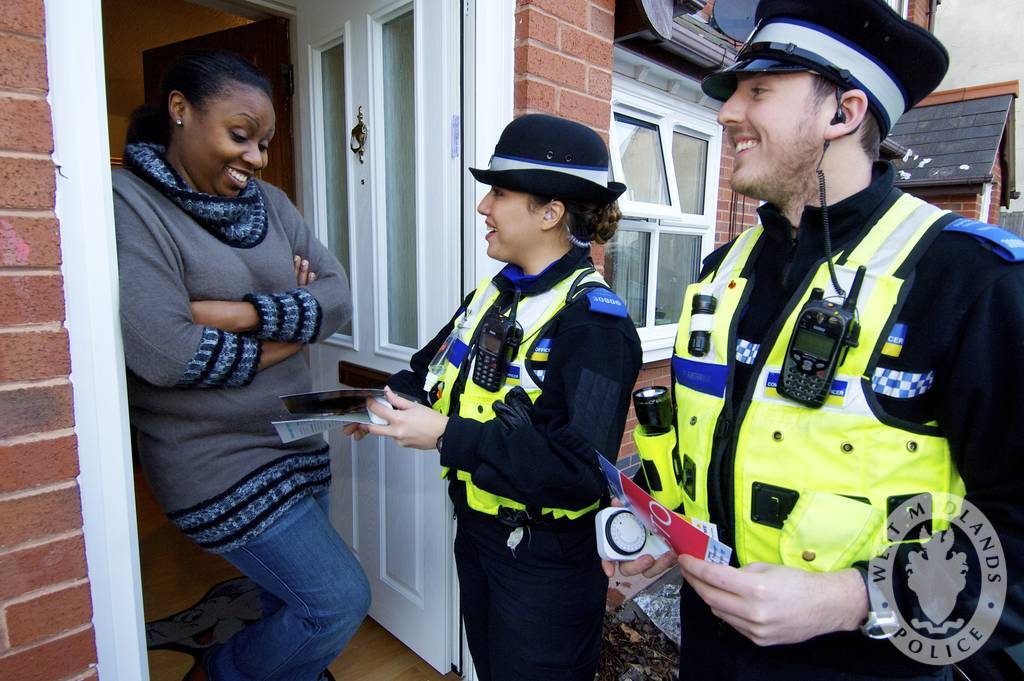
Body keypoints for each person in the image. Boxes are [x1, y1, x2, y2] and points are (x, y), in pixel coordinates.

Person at [606, 1, 1024, 679]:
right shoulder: (724, 274)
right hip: (711, 656)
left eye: (759, 91)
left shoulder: (972, 284)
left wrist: (856, 597)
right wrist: (666, 529)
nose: (726, 113)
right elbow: (715, 454)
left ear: (844, 112)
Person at [345, 114, 642, 680]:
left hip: (545, 563)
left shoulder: (596, 326)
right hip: (479, 533)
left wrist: (446, 435)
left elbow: (578, 469)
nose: (484, 206)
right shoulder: (493, 291)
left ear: (551, 212)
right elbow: (427, 371)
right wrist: (378, 402)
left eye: (501, 193)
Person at [112, 50, 370, 681]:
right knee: (336, 600)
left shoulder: (271, 203)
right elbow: (168, 356)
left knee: (288, 597)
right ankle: (219, 673)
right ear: (180, 110)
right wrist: (295, 320)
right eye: (240, 136)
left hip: (296, 431)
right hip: (211, 456)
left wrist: (232, 314)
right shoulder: (127, 203)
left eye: (263, 143)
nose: (255, 158)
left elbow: (337, 297)